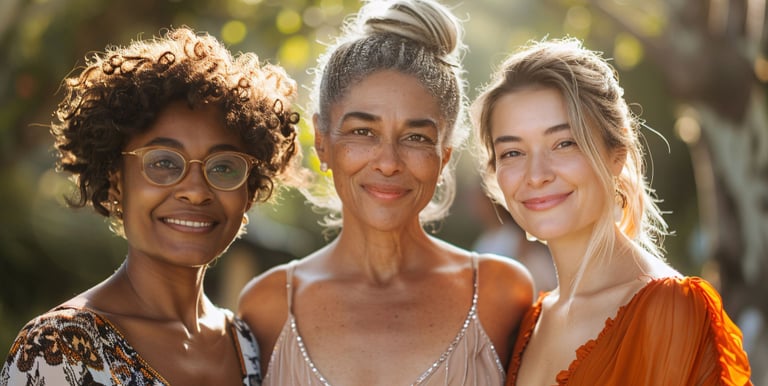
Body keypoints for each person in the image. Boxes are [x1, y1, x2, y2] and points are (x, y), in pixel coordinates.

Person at [238, 1, 534, 385]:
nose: (389, 162)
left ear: (444, 155)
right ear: (323, 143)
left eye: (416, 137)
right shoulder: (267, 306)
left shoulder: (502, 294)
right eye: (363, 132)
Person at [1, 26, 302, 385]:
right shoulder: (58, 350)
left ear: (249, 193)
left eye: (223, 166)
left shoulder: (254, 349)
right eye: (163, 162)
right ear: (116, 180)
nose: (195, 191)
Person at [471, 37, 752, 385]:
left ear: (615, 154)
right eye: (513, 152)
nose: (537, 174)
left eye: (564, 143)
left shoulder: (669, 309)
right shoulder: (532, 320)